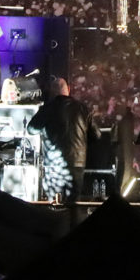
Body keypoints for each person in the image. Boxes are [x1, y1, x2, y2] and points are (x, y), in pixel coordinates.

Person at [32, 75, 94, 204]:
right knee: (74, 205)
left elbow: (31, 129)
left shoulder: (48, 108)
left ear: (53, 92)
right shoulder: (82, 108)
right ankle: (74, 223)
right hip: (77, 163)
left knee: (54, 205)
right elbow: (96, 135)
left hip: (55, 164)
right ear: (69, 89)